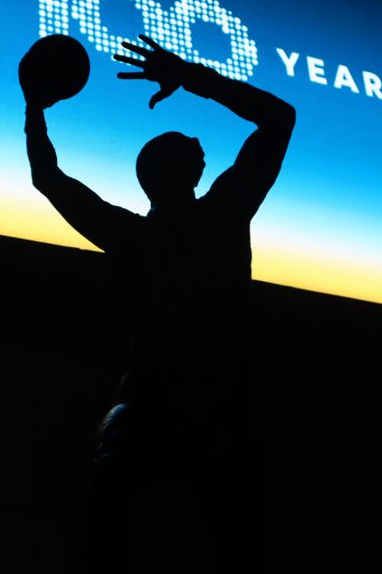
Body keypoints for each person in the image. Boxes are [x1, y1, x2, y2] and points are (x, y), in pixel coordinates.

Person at [24, 34, 295, 572]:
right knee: (235, 539)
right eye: (189, 145)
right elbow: (278, 118)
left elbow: (47, 177)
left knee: (116, 492)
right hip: (219, 401)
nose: (197, 143)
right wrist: (195, 79)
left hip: (159, 400)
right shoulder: (224, 212)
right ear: (190, 167)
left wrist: (35, 108)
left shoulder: (132, 234)